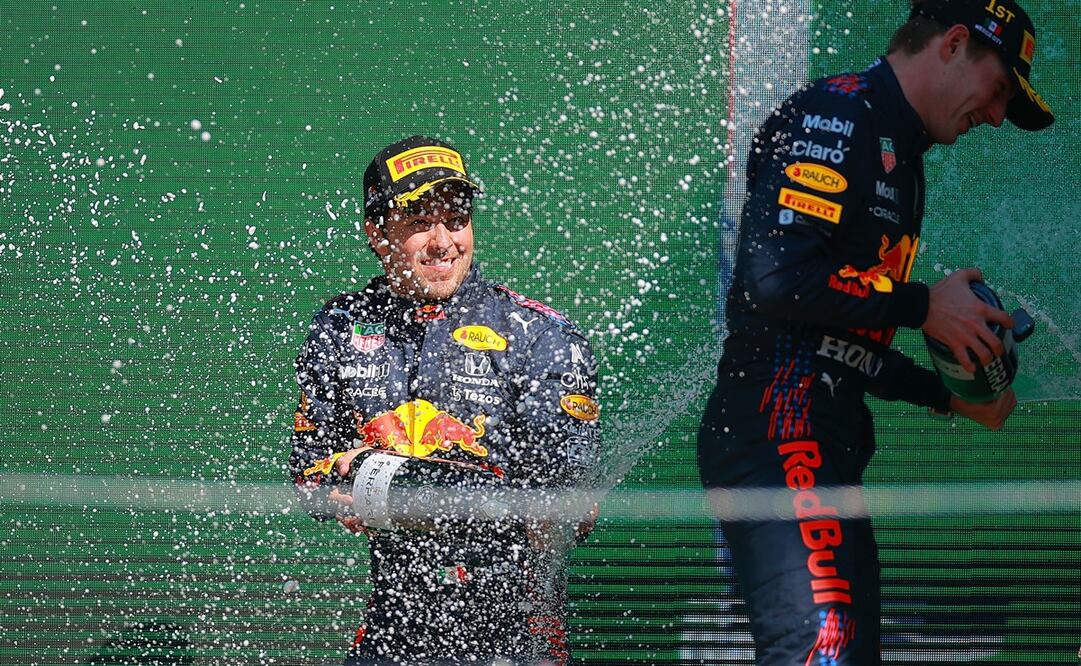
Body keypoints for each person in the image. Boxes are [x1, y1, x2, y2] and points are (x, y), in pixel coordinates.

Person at [697, 0, 1053, 663]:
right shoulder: (837, 114)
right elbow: (775, 279)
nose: (997, 115)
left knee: (847, 656)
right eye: (999, 87)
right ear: (951, 44)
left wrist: (947, 393)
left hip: (822, 434)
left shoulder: (902, 149)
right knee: (820, 652)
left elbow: (837, 337)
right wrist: (922, 306)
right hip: (776, 426)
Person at [287, 135, 601, 665]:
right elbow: (308, 471)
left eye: (455, 218)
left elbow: (566, 498)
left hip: (515, 633)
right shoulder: (339, 327)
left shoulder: (539, 335)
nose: (442, 241)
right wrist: (339, 483)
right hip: (394, 630)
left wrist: (382, 479)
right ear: (377, 233)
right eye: (418, 221)